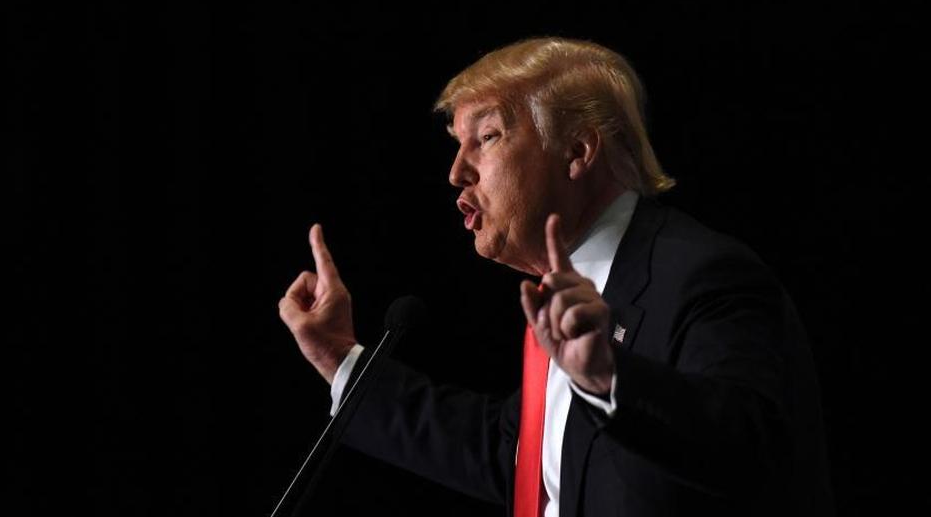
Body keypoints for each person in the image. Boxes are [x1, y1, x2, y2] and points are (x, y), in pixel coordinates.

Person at [277, 37, 834, 516]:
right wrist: (338, 357)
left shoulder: (702, 276)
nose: (456, 172)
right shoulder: (563, 295)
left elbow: (750, 452)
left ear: (577, 150)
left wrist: (610, 379)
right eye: (457, 145)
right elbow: (515, 457)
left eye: (487, 137)